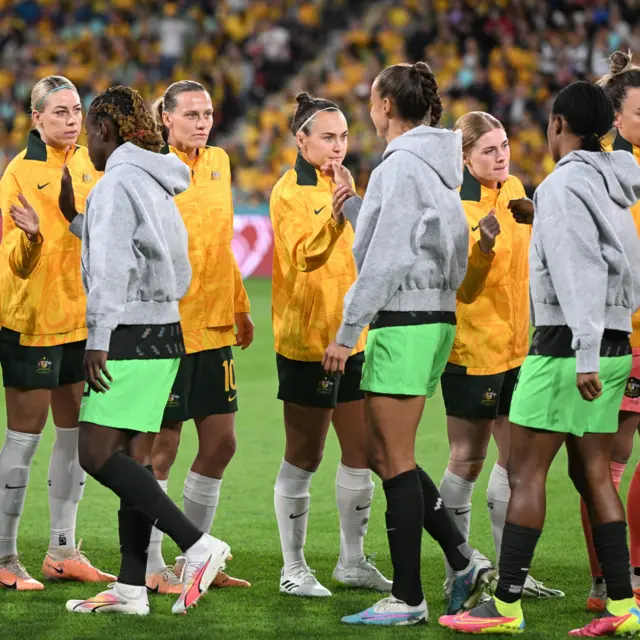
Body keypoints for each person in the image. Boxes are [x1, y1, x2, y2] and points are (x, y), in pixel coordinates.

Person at [439, 80, 640, 637]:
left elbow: (577, 271)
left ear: (557, 126)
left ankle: (504, 605)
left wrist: (581, 354)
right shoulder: (618, 183)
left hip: (564, 347)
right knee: (595, 473)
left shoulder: (563, 185)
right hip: (617, 340)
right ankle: (624, 606)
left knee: (524, 472)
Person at [323, 61, 495, 627]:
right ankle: (463, 559)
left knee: (391, 459)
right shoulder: (435, 166)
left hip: (404, 319)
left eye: (371, 101)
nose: (369, 111)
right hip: (432, 318)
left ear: (387, 106)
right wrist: (352, 204)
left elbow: (390, 257)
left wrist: (348, 332)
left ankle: (408, 596)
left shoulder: (399, 166)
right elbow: (407, 240)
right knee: (382, 453)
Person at [59, 85, 230, 616]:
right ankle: (132, 589)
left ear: (106, 130)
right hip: (167, 333)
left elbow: (112, 269)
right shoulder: (157, 180)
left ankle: (198, 544)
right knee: (133, 458)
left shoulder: (115, 184)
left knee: (95, 453)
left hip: (129, 333)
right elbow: (156, 255)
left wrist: (98, 337)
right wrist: (76, 220)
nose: (88, 140)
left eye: (91, 130)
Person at [121, 80, 253, 595]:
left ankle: (194, 559)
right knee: (163, 446)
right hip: (170, 326)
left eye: (208, 113)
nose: (203, 122)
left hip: (216, 324)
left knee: (221, 443)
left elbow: (220, 243)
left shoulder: (219, 162)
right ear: (166, 120)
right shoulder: (152, 167)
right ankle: (154, 566)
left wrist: (240, 304)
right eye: (192, 114)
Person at [269, 92, 391, 598]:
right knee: (305, 454)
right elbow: (304, 258)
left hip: (351, 336)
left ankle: (352, 560)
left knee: (360, 451)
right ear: (302, 140)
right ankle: (292, 567)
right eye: (328, 137)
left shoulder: (340, 182)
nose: (338, 146)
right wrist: (338, 214)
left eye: (343, 137)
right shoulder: (287, 192)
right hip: (307, 341)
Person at [438, 111, 563, 600]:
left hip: (519, 348)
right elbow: (463, 292)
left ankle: (511, 573)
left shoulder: (515, 192)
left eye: (504, 144)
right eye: (488, 150)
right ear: (465, 158)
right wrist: (483, 249)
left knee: (517, 463)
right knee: (467, 460)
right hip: (472, 349)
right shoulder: (456, 208)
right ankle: (459, 567)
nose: (501, 155)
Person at [0, 75, 113, 590]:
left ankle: (62, 551)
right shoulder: (19, 172)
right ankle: (4, 557)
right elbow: (14, 265)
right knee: (25, 438)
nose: (72, 120)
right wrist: (30, 239)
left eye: (76, 110)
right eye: (60, 112)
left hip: (80, 321)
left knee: (75, 436)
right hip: (32, 319)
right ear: (37, 120)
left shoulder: (92, 164)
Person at [579, 51, 640, 613]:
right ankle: (609, 577)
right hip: (621, 336)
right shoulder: (601, 175)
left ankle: (631, 569)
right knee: (605, 459)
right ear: (616, 119)